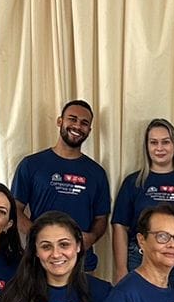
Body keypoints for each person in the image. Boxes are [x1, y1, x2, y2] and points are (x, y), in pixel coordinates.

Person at [10, 99, 110, 271]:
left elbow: (101, 218)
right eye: (72, 119)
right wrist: (39, 235)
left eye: (84, 123)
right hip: (40, 261)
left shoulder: (97, 173)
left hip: (81, 263)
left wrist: (91, 237)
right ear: (60, 121)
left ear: (89, 130)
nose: (77, 126)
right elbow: (15, 209)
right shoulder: (31, 164)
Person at [110, 118, 174, 291]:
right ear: (146, 147)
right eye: (153, 142)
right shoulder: (133, 182)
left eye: (165, 142)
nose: (159, 148)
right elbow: (120, 226)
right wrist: (121, 269)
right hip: (139, 259)